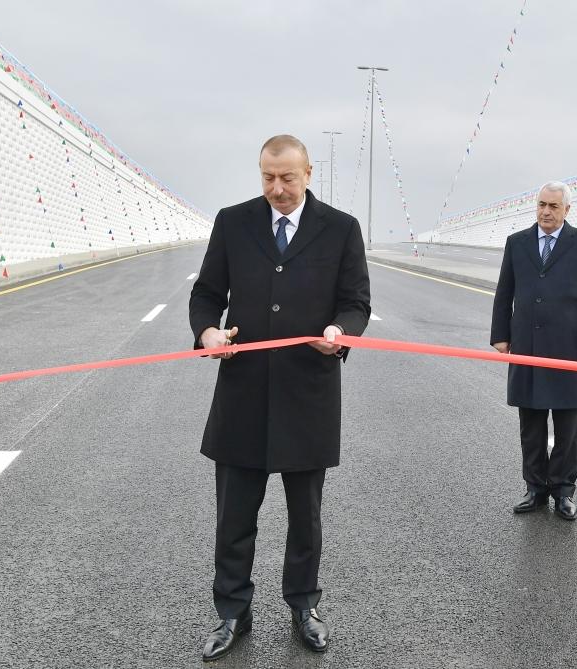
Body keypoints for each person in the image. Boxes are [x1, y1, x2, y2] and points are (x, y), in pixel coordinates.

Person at [189, 134, 371, 661]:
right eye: (268, 177)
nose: (277, 188)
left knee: (305, 517)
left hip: (307, 392)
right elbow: (206, 294)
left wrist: (340, 331)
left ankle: (303, 606)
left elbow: (356, 301)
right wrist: (207, 334)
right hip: (243, 392)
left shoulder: (340, 229)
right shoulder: (233, 221)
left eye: (288, 178)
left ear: (308, 173)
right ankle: (231, 613)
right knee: (234, 516)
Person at [490, 181, 577, 520]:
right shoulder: (517, 243)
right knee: (531, 422)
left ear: (566, 210)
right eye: (542, 204)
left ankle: (563, 491)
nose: (546, 211)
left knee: (568, 424)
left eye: (554, 206)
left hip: (570, 348)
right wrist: (500, 335)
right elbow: (504, 292)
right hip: (527, 345)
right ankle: (535, 488)